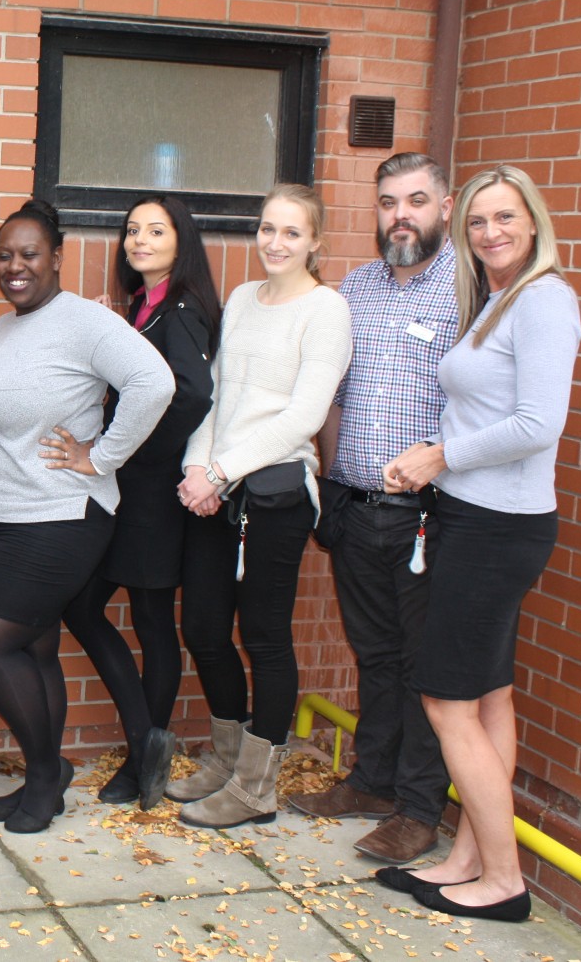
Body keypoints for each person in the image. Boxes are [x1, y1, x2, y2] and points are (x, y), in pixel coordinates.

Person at [378, 165, 580, 923]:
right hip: (472, 516)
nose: (491, 232)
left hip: (499, 529)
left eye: (505, 217)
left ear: (533, 223)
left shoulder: (545, 300)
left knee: (446, 698)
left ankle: (504, 881)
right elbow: (486, 410)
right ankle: (471, 858)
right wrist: (438, 451)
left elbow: (538, 423)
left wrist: (440, 456)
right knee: (489, 695)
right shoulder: (499, 298)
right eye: (477, 222)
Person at [0, 200, 174, 833]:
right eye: (4, 256)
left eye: (29, 254)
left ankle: (47, 776)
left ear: (56, 258)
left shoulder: (83, 321)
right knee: (35, 647)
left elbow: (154, 383)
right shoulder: (5, 326)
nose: (14, 266)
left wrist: (100, 457)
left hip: (57, 515)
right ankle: (41, 779)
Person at [288, 153, 458, 864]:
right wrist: (329, 482)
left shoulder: (469, 290)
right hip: (355, 508)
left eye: (416, 200)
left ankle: (419, 810)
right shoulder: (355, 288)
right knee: (377, 656)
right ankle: (372, 782)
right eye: (388, 202)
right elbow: (331, 394)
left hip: (428, 516)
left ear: (445, 208)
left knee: (424, 666)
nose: (400, 215)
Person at [171, 184, 352, 829]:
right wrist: (198, 466)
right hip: (217, 490)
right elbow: (217, 396)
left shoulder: (326, 310)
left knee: (265, 637)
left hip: (274, 496)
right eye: (268, 229)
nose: (276, 243)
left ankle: (255, 788)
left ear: (315, 242)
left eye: (292, 232)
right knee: (203, 629)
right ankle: (226, 761)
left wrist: (221, 471)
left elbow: (304, 416)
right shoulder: (244, 299)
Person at [62, 195, 220, 810]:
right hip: (127, 491)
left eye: (156, 231)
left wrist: (124, 449)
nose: (140, 241)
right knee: (84, 606)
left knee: (152, 621)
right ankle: (145, 743)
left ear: (182, 241)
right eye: (132, 230)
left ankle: (143, 760)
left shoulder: (181, 308)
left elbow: (191, 396)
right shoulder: (144, 304)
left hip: (154, 493)